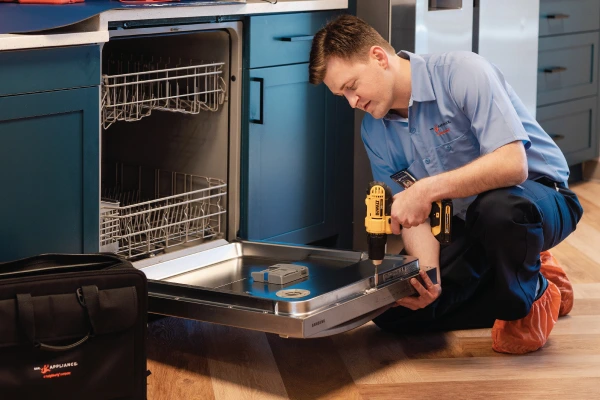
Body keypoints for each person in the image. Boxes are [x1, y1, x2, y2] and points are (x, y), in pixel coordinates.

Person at [309, 14, 584, 354]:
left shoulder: (462, 73)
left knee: (499, 209)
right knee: (397, 312)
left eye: (351, 86)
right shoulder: (375, 131)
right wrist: (428, 276)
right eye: (342, 96)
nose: (352, 102)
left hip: (538, 200)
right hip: (466, 222)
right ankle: (530, 277)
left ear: (378, 57)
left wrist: (425, 190)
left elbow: (513, 165)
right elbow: (414, 215)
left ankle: (528, 302)